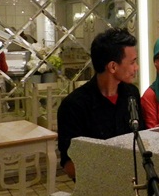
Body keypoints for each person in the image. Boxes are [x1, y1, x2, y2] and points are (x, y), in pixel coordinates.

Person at [57, 28, 143, 180]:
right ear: (113, 66)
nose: (136, 67)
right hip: (96, 184)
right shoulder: (74, 106)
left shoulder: (131, 94)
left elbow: (142, 138)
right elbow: (70, 165)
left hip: (134, 178)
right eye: (132, 62)